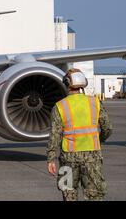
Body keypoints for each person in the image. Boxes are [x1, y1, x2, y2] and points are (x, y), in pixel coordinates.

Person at [46, 68, 113, 201]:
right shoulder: (94, 102)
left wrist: (51, 159)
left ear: (66, 83)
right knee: (94, 195)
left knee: (68, 193)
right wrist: (99, 139)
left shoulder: (60, 106)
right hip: (92, 156)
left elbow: (55, 135)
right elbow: (107, 128)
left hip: (68, 158)